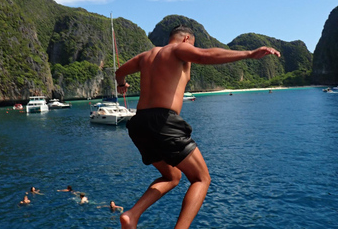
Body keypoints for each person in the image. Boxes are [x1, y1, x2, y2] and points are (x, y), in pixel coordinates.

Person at [115, 25, 280, 229]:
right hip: (163, 121)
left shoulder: (146, 55)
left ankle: (131, 215)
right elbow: (204, 55)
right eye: (191, 46)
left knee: (172, 176)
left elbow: (119, 72)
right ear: (186, 40)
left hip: (138, 123)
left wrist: (122, 84)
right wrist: (249, 53)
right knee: (201, 179)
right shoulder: (178, 49)